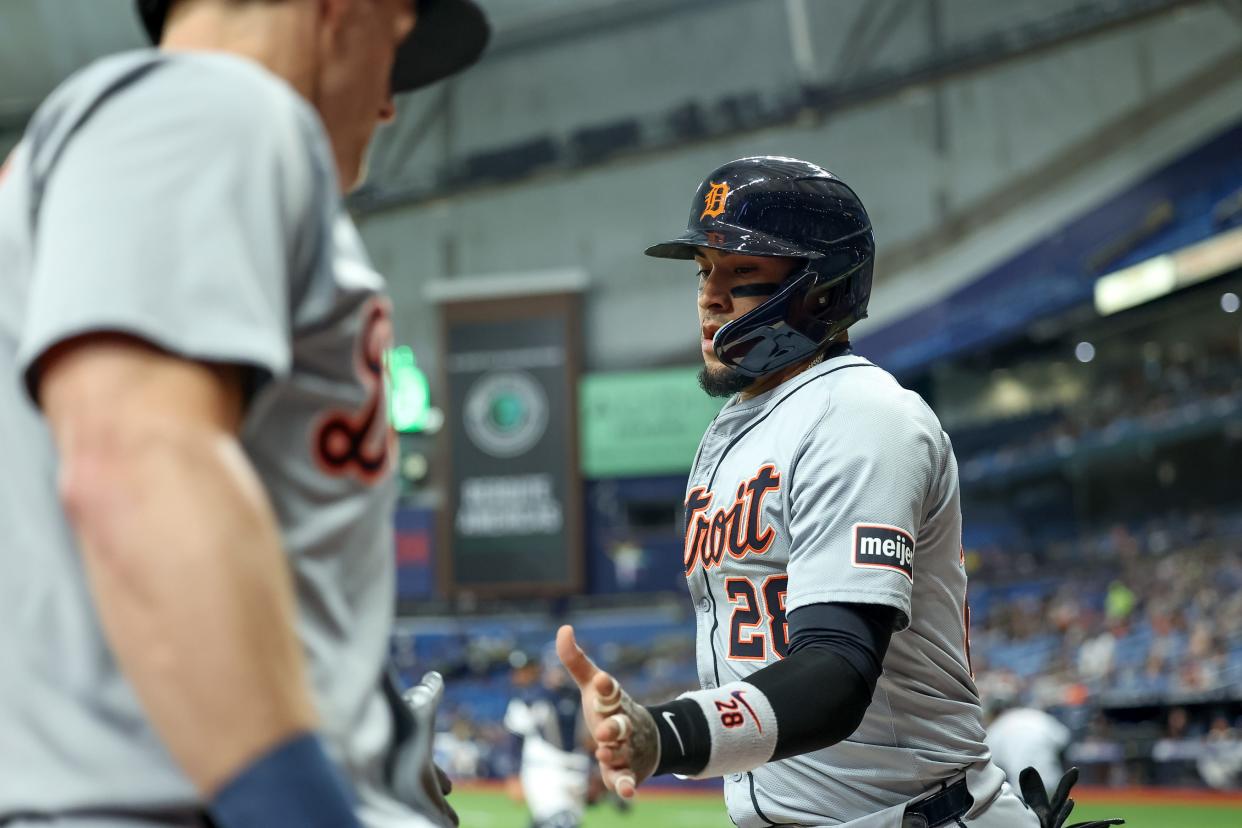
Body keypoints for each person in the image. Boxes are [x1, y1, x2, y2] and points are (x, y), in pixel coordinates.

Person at [0, 1, 487, 827]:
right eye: (397, 42)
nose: (389, 103)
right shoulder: (212, 107)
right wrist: (296, 803)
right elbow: (136, 465)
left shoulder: (105, 151)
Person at [557, 156, 1121, 828]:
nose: (709, 295)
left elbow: (837, 673)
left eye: (741, 274)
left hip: (909, 816)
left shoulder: (860, 414)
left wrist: (668, 732)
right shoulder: (734, 433)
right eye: (705, 270)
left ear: (821, 290)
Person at [502, 653, 593, 828]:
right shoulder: (530, 699)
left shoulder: (581, 699)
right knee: (560, 822)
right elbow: (516, 738)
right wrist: (513, 775)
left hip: (577, 770)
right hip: (544, 770)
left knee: (557, 821)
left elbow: (591, 741)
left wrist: (596, 772)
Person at [985, 699, 1072, 798]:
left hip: (1020, 781)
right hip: (1051, 777)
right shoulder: (1035, 715)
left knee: (1025, 809)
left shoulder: (997, 727)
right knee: (1051, 808)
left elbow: (991, 764)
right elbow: (1064, 739)